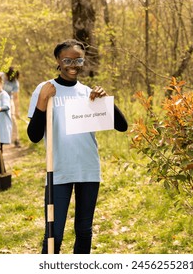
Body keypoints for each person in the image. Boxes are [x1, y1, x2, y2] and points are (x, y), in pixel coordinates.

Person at [27, 39, 128, 254]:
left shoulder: (88, 93)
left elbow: (122, 126)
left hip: (88, 169)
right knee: (54, 234)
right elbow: (34, 135)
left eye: (78, 60)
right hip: (58, 171)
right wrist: (42, 101)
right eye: (67, 60)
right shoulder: (44, 89)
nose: (73, 65)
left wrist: (106, 99)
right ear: (58, 60)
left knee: (84, 230)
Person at [1, 67, 21, 148]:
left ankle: (16, 139)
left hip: (9, 100)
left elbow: (16, 98)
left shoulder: (15, 83)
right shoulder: (1, 76)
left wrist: (16, 111)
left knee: (12, 118)